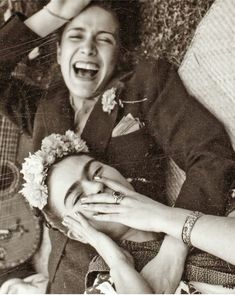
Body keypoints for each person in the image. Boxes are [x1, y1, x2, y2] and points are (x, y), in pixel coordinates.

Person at [1, 0, 235, 293]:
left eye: (104, 39)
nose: (88, 48)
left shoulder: (144, 84)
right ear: (59, 52)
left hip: (134, 272)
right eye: (76, 36)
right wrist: (54, 14)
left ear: (118, 53)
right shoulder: (46, 108)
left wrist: (173, 252)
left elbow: (210, 155)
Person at [18, 131, 235, 294]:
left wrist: (161, 218)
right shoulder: (103, 281)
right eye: (77, 197)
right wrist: (117, 261)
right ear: (76, 232)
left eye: (96, 172)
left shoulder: (208, 203)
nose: (96, 187)